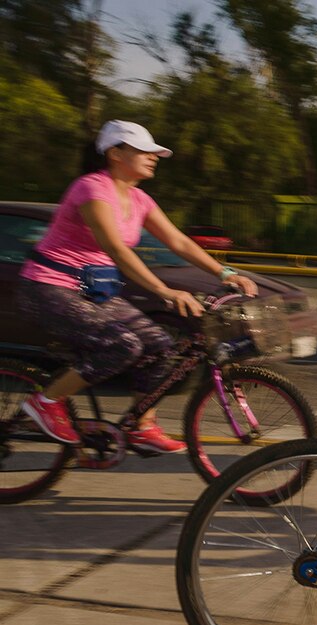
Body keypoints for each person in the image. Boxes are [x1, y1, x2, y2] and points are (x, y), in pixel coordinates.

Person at [18, 120, 257, 452]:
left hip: (89, 290)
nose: (154, 157)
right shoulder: (92, 188)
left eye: (155, 152)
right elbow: (116, 248)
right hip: (47, 287)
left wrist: (225, 273)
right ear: (116, 153)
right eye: (144, 151)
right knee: (122, 345)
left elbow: (178, 242)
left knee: (160, 344)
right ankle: (46, 402)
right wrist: (165, 291)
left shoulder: (139, 199)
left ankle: (141, 426)